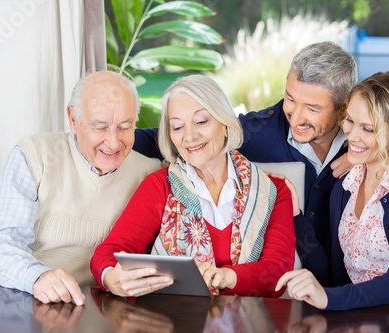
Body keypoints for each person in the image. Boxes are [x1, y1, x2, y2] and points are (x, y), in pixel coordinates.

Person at [132, 42, 389, 285]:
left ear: (344, 107)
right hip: (304, 280)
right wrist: (112, 136)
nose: (296, 117)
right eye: (290, 99)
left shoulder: (367, 130)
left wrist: (376, 151)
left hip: (352, 287)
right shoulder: (260, 132)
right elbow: (169, 135)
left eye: (312, 109)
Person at [90, 74, 295, 298]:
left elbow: (277, 273)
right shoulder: (160, 185)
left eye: (201, 122)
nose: (189, 136)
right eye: (177, 127)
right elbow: (108, 253)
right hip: (173, 319)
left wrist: (226, 276)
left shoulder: (273, 190)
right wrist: (111, 278)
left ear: (225, 125)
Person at [275, 71, 389, 310]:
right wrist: (295, 217)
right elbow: (333, 275)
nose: (352, 135)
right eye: (350, 121)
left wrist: (330, 299)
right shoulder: (345, 187)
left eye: (369, 129)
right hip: (365, 318)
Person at [0, 71, 162, 306]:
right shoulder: (34, 156)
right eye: (100, 127)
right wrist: (37, 277)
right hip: (22, 300)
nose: (114, 142)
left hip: (100, 310)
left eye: (125, 127)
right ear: (73, 119)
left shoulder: (150, 174)